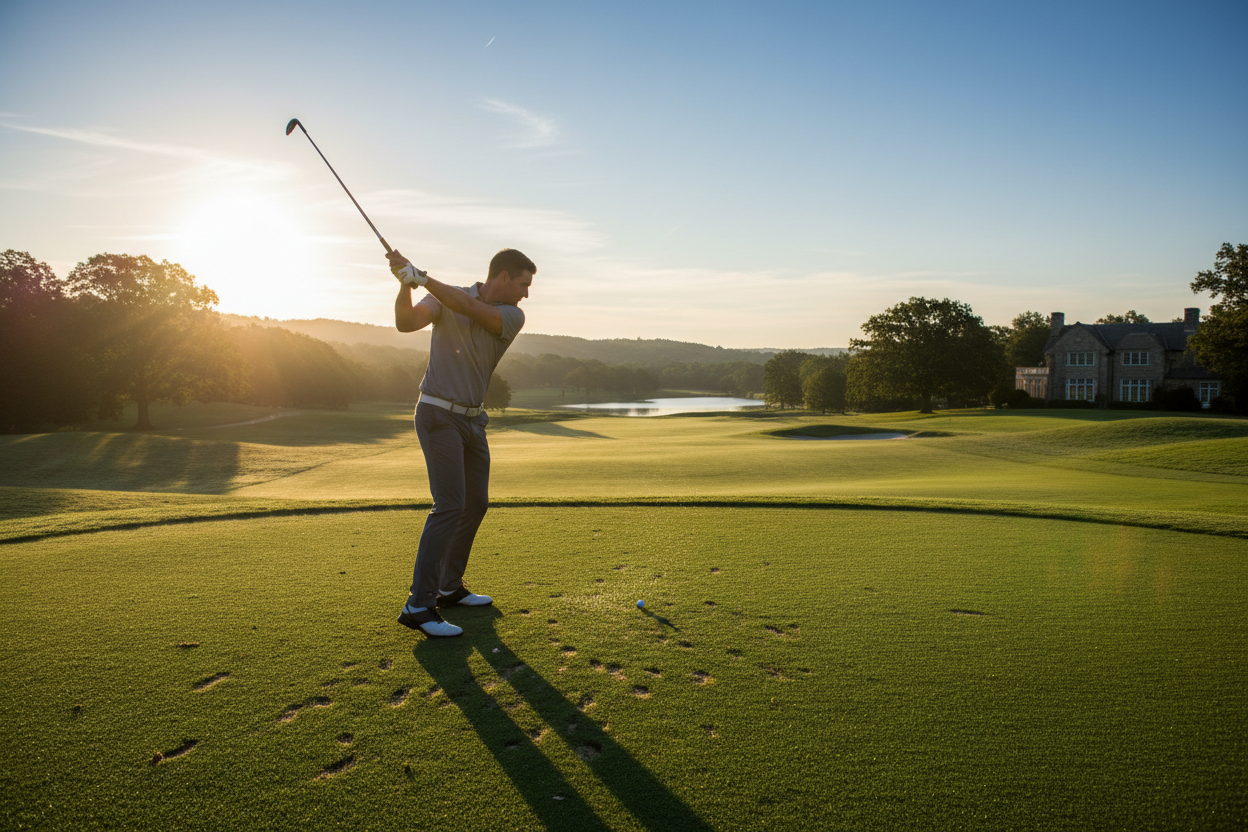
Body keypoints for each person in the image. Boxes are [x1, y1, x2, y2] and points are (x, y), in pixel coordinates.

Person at [387, 247, 535, 637]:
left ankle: (449, 587)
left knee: (475, 503)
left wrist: (421, 277)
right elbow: (406, 324)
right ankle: (419, 605)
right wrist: (405, 285)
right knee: (450, 505)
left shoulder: (511, 315)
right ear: (503, 277)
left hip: (473, 421)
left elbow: (470, 307)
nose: (526, 293)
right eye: (523, 284)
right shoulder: (443, 297)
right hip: (438, 415)